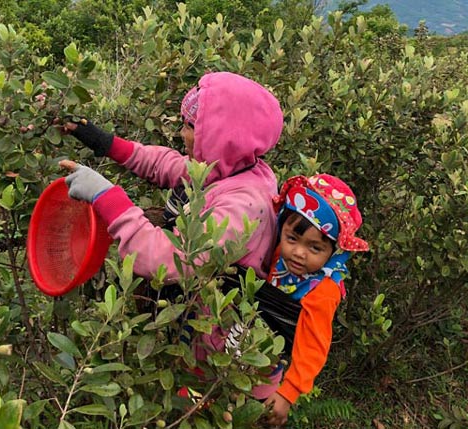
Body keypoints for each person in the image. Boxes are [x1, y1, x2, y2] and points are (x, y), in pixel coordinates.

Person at [58, 71, 284, 282]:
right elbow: (164, 164)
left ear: (222, 138)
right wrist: (101, 141)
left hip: (211, 323)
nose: (182, 134)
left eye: (190, 126)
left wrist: (106, 197)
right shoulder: (232, 165)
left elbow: (166, 259)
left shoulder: (244, 205)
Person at [248, 173, 369, 426]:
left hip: (268, 364)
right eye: (292, 238)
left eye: (315, 248)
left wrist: (288, 392)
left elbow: (313, 345)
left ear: (333, 251)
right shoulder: (281, 253)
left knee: (250, 410)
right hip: (247, 338)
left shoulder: (323, 290)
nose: (299, 253)